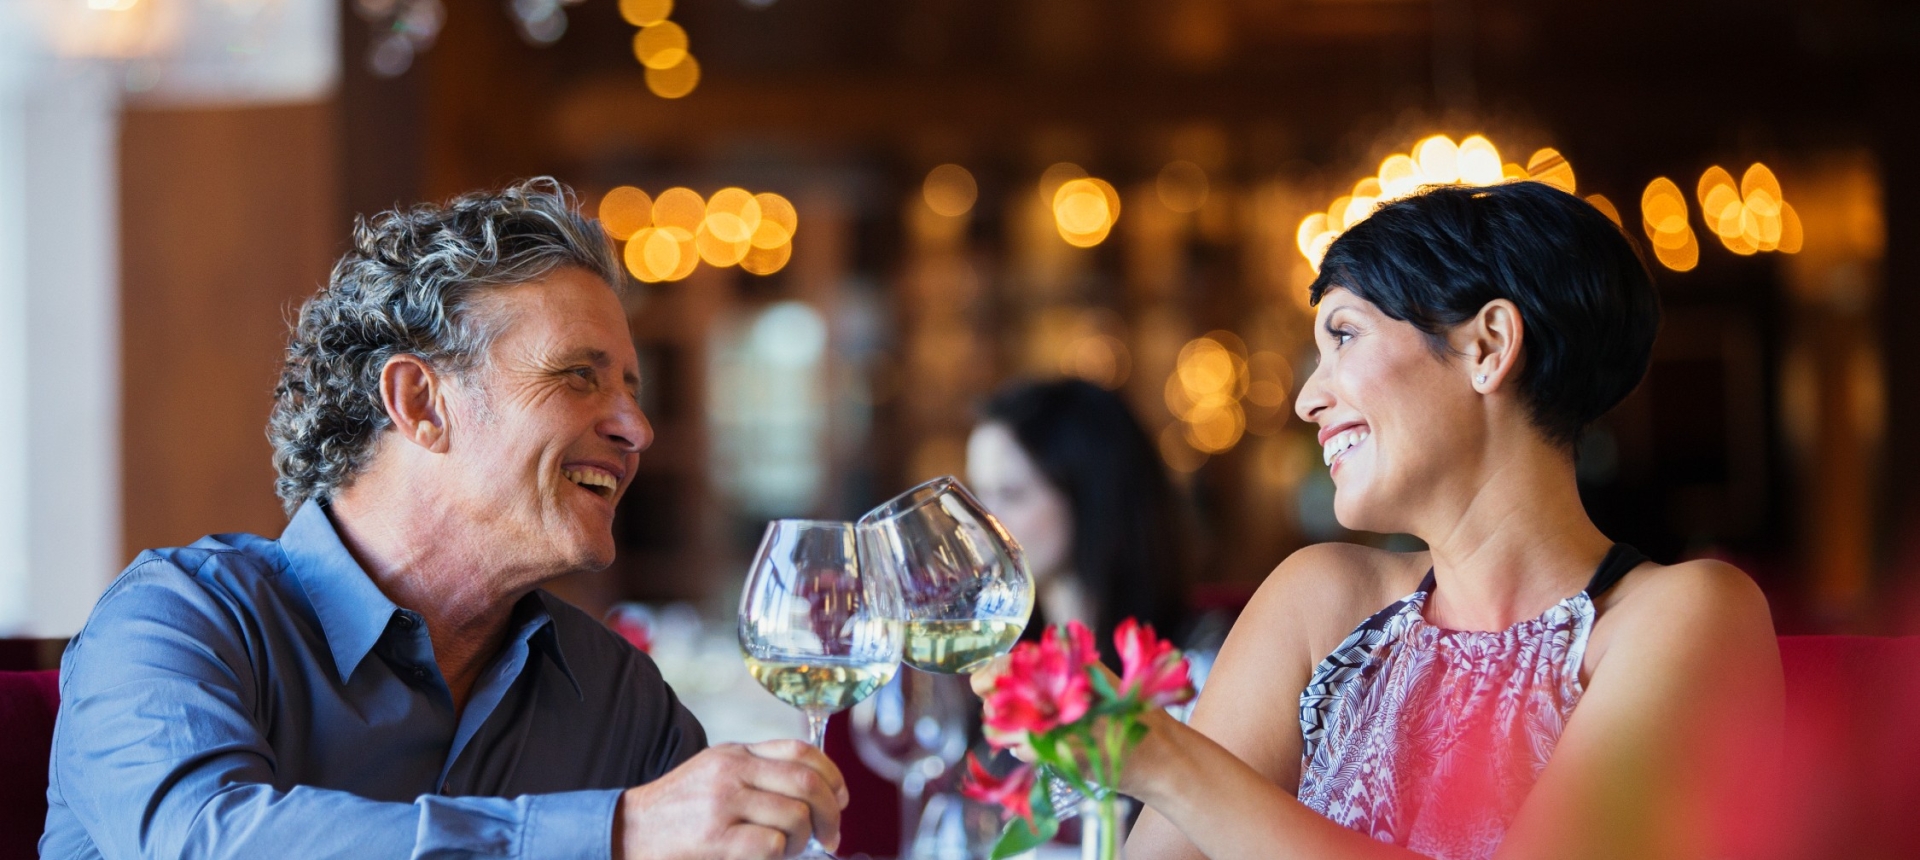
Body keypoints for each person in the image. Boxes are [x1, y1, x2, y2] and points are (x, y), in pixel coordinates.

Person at [42, 179, 847, 859]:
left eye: (631, 390)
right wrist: (613, 831)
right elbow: (210, 843)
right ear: (421, 404)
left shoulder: (616, 696)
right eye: (578, 377)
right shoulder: (178, 622)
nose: (635, 430)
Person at [987, 182, 1782, 860]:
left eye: (1344, 335)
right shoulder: (1320, 601)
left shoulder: (1686, 615)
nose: (1308, 398)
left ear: (1489, 346)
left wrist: (1164, 760)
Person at [965, 378, 1188, 666]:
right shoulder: (1000, 655)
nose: (981, 520)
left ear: (1090, 496)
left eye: (1011, 494)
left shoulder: (1194, 656)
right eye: (976, 495)